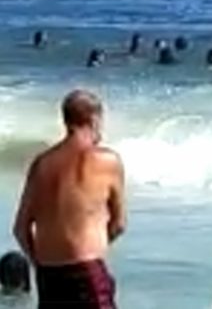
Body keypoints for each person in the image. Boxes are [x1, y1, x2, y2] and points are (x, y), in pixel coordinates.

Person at [13, 90, 125, 309]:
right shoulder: (107, 161)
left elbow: (20, 229)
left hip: (49, 275)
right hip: (87, 272)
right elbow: (119, 224)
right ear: (94, 119)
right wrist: (94, 249)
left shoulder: (42, 164)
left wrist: (39, 264)